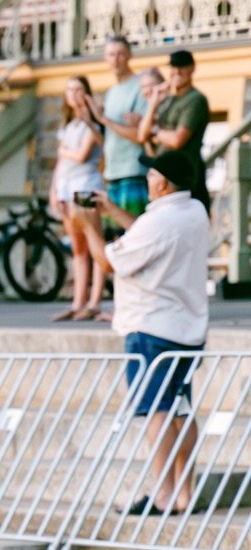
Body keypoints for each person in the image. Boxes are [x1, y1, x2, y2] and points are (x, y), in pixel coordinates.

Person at [85, 152, 208, 517]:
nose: (147, 178)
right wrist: (110, 211)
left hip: (151, 328)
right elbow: (144, 233)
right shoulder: (195, 211)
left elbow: (109, 261)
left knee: (157, 411)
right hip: (187, 328)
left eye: (151, 173)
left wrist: (88, 225)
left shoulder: (160, 222)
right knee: (182, 409)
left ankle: (162, 494)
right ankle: (184, 493)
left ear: (162, 183)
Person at [49, 77, 106, 322]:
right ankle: (78, 301)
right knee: (78, 248)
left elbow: (82, 155)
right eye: (69, 89)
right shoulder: (69, 124)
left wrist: (63, 150)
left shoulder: (92, 122)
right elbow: (62, 164)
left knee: (95, 243)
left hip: (85, 186)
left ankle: (95, 301)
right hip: (66, 187)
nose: (73, 94)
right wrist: (54, 190)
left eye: (78, 89)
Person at [82, 35, 150, 236]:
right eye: (111, 55)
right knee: (115, 240)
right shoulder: (111, 92)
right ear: (105, 58)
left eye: (121, 54)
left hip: (134, 172)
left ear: (129, 55)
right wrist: (91, 123)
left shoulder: (140, 86)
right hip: (113, 174)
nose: (116, 59)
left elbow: (141, 135)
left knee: (135, 237)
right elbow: (107, 140)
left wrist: (105, 120)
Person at [138, 49, 211, 210]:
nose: (177, 71)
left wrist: (156, 131)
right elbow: (142, 135)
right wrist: (154, 101)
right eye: (173, 67)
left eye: (182, 66)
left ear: (192, 68)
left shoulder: (195, 99)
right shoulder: (167, 99)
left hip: (184, 178)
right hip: (162, 176)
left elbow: (177, 140)